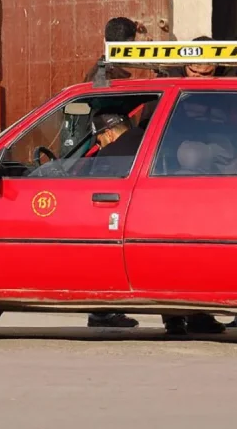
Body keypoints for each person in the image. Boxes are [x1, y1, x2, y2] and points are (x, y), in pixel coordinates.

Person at [86, 113, 144, 328]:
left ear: (108, 134)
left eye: (99, 140)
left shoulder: (110, 154)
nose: (100, 146)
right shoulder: (146, 138)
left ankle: (103, 312)